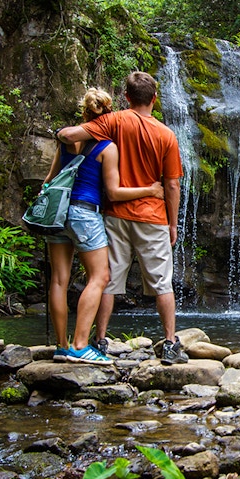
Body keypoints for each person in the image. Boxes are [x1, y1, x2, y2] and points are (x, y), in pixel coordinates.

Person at [57, 71, 188, 365]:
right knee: (162, 284)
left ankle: (100, 340)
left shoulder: (114, 121)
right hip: (153, 217)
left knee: (109, 282)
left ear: (126, 97)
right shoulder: (167, 135)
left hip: (114, 215)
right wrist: (173, 222)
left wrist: (62, 136)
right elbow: (172, 184)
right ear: (155, 99)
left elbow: (70, 135)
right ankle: (169, 342)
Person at [44, 88, 163, 365]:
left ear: (84, 112)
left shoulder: (65, 141)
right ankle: (81, 344)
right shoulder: (107, 148)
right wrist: (150, 189)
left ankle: (62, 346)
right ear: (108, 115)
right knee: (99, 276)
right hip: (84, 213)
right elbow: (113, 192)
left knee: (59, 280)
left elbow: (49, 180)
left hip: (58, 214)